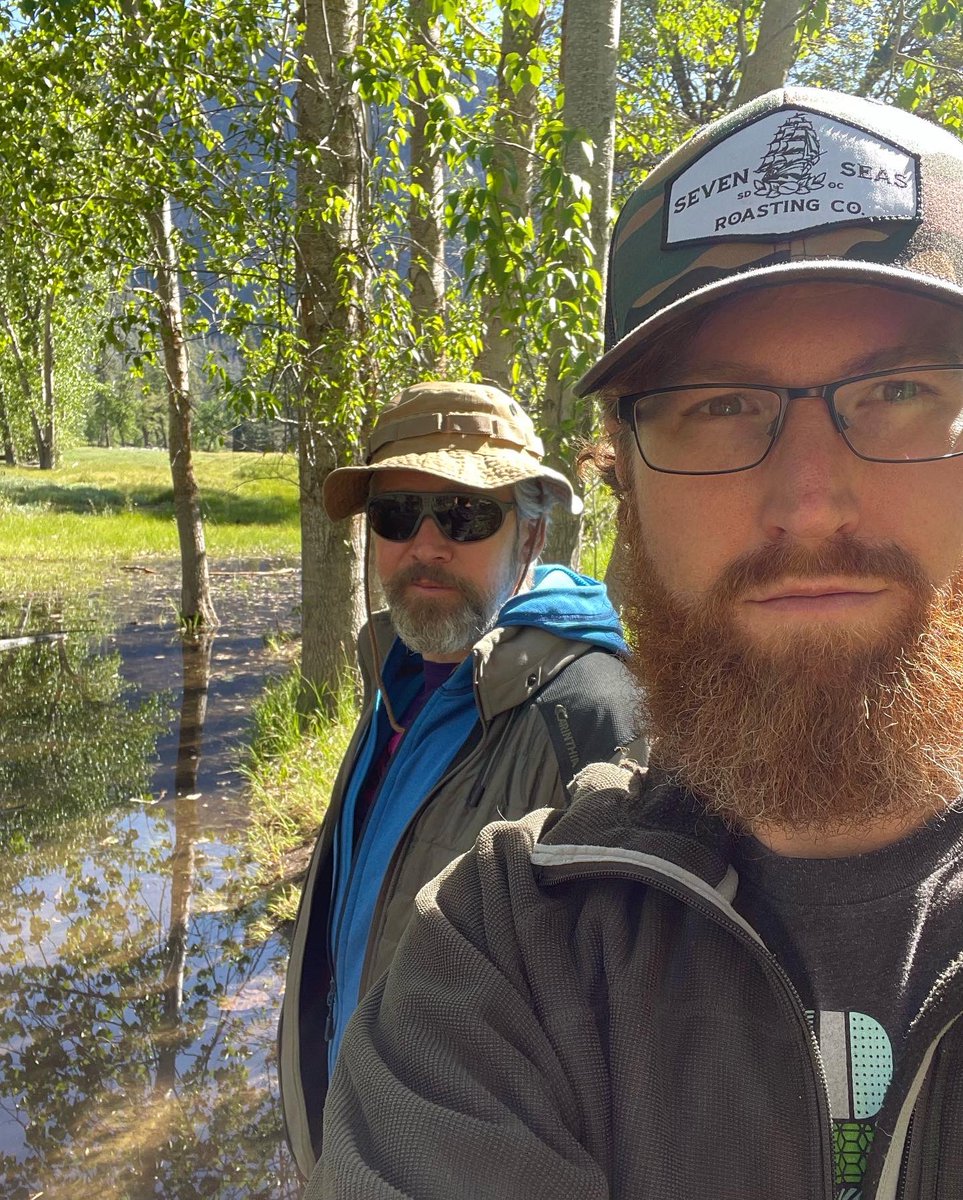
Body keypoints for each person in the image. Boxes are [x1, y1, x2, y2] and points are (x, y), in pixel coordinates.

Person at [311, 86, 963, 1200]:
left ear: (537, 524)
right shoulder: (495, 953)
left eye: (900, 390)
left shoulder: (580, 702)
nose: (810, 505)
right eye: (717, 405)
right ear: (626, 479)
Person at [279, 379, 638, 1178]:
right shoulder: (402, 670)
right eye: (396, 514)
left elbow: (626, 1055)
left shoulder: (591, 715)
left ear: (533, 532)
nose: (426, 543)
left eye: (467, 514)